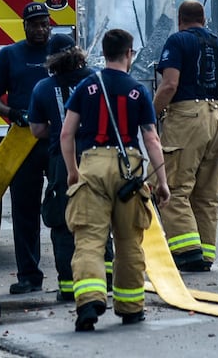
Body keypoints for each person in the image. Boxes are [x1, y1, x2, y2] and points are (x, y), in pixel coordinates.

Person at [60, 28, 169, 332]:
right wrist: (162, 181)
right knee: (129, 240)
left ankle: (89, 302)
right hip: (128, 171)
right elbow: (151, 139)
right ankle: (131, 307)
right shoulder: (138, 90)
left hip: (91, 166)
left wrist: (72, 170)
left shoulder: (86, 87)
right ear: (129, 54)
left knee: (89, 240)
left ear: (105, 53)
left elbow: (66, 133)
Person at [153, 0, 218, 272]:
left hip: (186, 118)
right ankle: (205, 253)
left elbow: (169, 85)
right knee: (207, 194)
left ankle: (187, 250)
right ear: (204, 20)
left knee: (175, 188)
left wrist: (148, 115)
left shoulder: (177, 42)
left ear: (180, 20)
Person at [29, 32, 107, 303]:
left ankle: (67, 286)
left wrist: (59, 128)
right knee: (100, 218)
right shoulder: (97, 79)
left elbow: (37, 129)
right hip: (99, 157)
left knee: (63, 222)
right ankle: (102, 279)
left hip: (62, 162)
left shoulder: (42, 88)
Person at [0, 0, 54, 294]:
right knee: (24, 210)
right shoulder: (9, 56)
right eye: (35, 24)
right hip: (23, 141)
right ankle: (29, 275)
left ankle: (73, 274)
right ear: (24, 26)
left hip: (57, 139)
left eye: (44, 23)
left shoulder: (61, 52)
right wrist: (12, 113)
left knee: (68, 204)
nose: (40, 29)